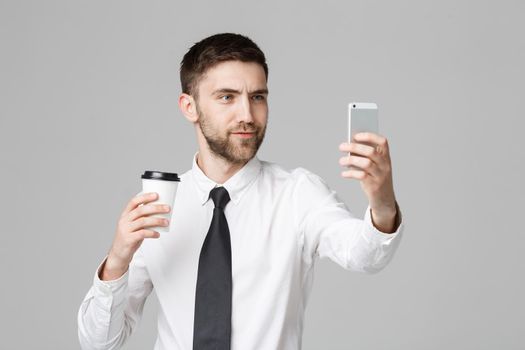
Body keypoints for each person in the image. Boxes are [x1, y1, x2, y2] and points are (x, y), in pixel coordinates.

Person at [77, 32, 404, 350]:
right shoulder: (159, 205)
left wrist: (382, 202)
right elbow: (99, 342)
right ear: (189, 106)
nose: (247, 115)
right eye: (227, 97)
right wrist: (118, 259)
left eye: (257, 97)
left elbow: (364, 255)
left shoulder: (297, 194)